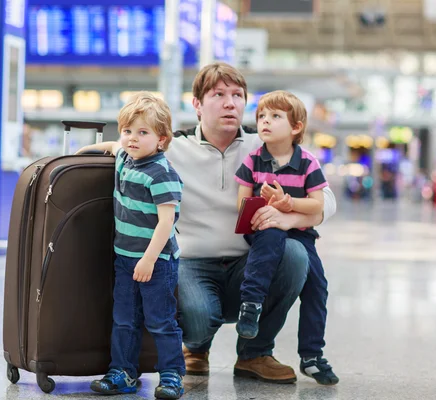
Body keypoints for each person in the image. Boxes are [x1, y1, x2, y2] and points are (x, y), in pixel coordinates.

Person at [165, 62, 337, 384]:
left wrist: (290, 218)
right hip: (193, 263)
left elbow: (327, 200)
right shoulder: (174, 148)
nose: (231, 103)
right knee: (200, 318)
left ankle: (254, 353)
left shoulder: (266, 144)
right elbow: (128, 147)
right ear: (198, 104)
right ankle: (196, 348)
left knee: (295, 255)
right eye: (219, 94)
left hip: (249, 263)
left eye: (238, 95)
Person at [76, 92, 185, 399]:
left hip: (157, 261)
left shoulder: (162, 174)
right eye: (127, 131)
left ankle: (172, 375)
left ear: (162, 139)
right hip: (125, 258)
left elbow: (167, 222)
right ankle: (122, 372)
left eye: (142, 132)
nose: (132, 139)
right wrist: (84, 151)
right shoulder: (125, 156)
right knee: (124, 318)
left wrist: (149, 260)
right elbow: (111, 146)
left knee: (161, 320)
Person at [234, 90, 338, 385]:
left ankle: (312, 355)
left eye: (275, 116)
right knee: (269, 237)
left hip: (302, 235)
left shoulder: (308, 162)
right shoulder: (253, 161)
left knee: (318, 288)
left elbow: (317, 204)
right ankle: (251, 303)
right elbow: (241, 205)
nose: (265, 122)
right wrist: (264, 206)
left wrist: (287, 203)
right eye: (262, 117)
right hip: (264, 231)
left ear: (296, 127)